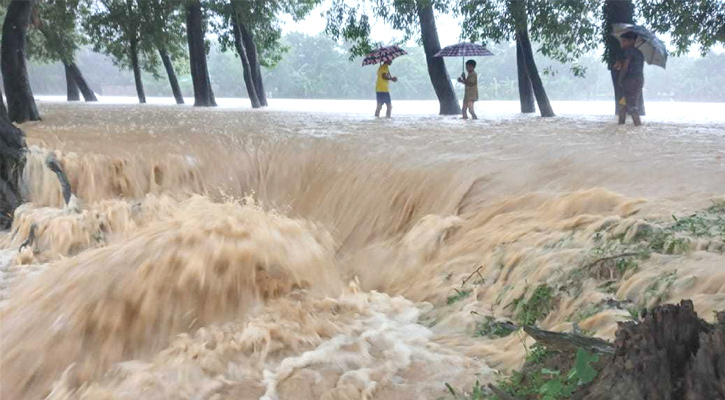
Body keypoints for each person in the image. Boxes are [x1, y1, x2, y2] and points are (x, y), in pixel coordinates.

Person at [615, 31, 645, 126]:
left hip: (630, 81)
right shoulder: (639, 53)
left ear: (632, 41)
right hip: (638, 80)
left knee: (632, 106)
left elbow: (625, 67)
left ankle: (638, 126)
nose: (622, 43)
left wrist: (620, 78)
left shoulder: (629, 51)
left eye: (624, 41)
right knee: (623, 105)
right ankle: (621, 126)